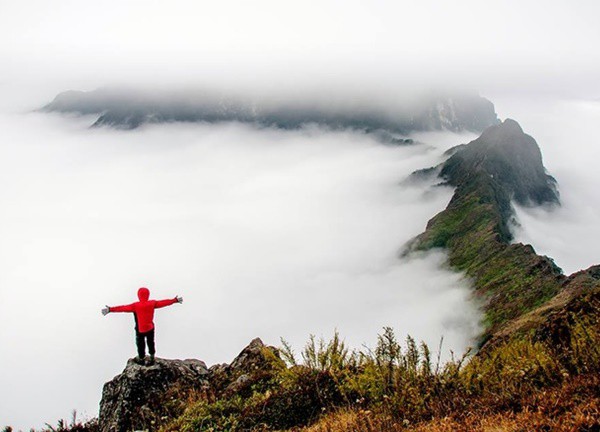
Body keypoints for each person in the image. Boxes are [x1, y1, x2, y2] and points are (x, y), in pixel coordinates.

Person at [102, 287, 183, 365]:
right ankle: (152, 356)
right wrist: (174, 300)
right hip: (150, 328)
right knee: (150, 342)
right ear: (148, 295)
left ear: (138, 295)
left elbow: (122, 308)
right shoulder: (152, 303)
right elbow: (164, 302)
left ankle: (141, 358)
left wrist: (110, 309)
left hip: (140, 329)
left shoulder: (135, 305)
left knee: (140, 343)